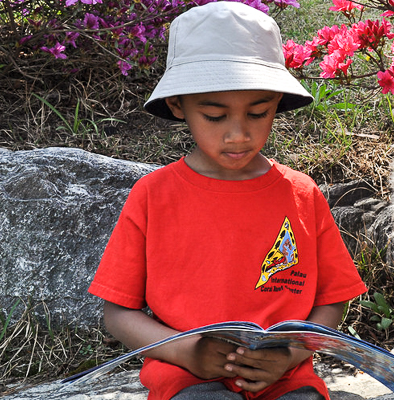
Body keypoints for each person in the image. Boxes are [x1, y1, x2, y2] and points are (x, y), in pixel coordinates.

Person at [88, 2, 367, 399]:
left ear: (276, 103)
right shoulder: (153, 196)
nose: (239, 135)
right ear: (177, 105)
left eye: (258, 112)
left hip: (286, 380)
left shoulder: (301, 193)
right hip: (189, 379)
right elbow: (118, 313)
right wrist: (186, 352)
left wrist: (291, 354)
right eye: (215, 116)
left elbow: (332, 300)